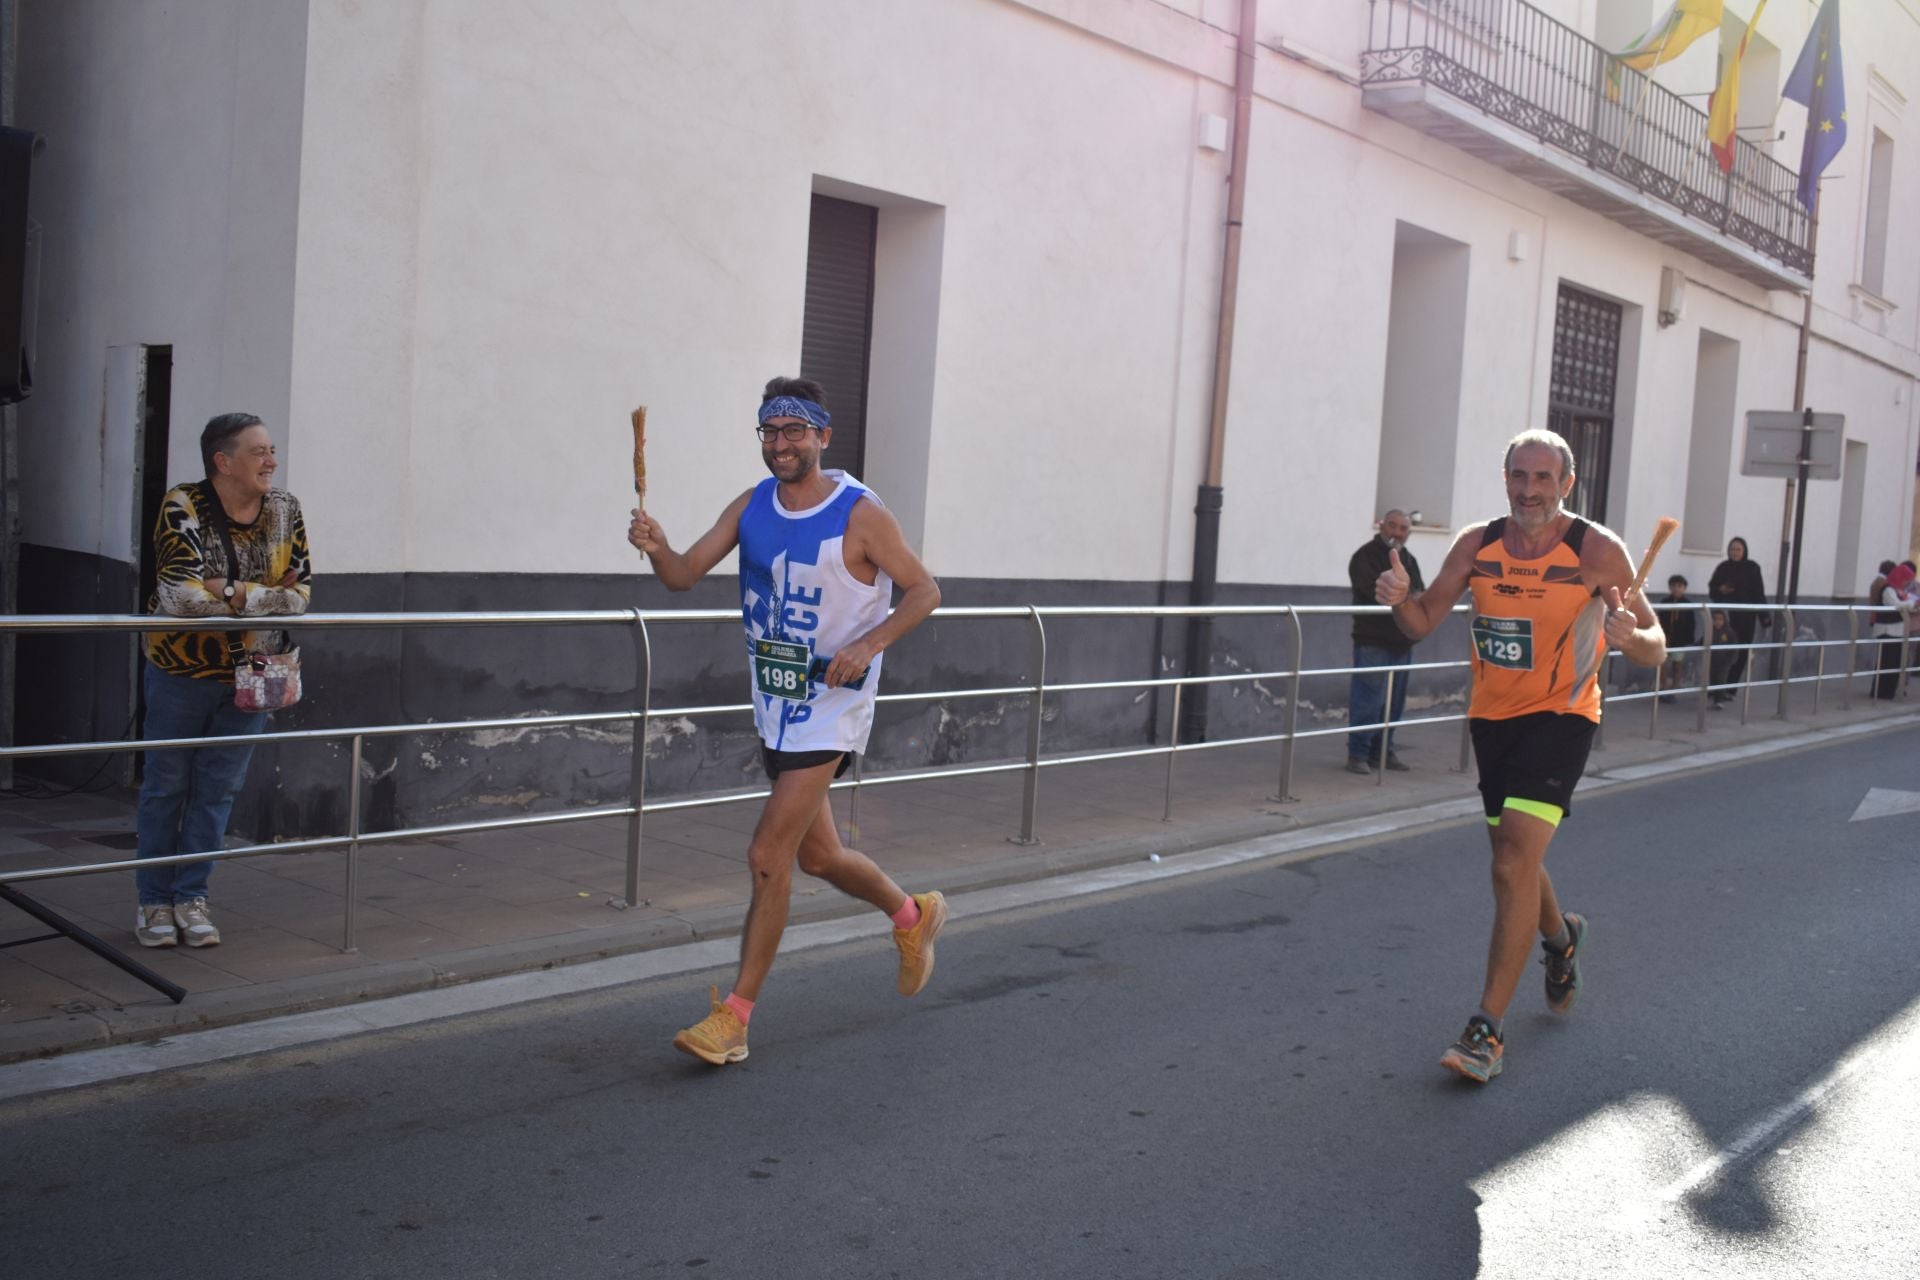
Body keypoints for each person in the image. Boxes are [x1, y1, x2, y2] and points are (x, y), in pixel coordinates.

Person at [627, 376, 946, 1065]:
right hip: (776, 701)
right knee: (818, 855)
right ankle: (912, 916)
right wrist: (656, 544)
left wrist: (867, 645)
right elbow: (683, 576)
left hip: (833, 704)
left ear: (823, 437)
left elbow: (925, 591)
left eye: (795, 431)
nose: (781, 444)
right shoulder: (752, 507)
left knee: (768, 858)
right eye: (770, 432)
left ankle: (733, 1019)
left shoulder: (860, 514)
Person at [1375, 428, 1664, 1083]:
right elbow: (1423, 621)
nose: (1528, 490)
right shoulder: (1477, 544)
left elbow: (1658, 645)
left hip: (1562, 718)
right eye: (1518, 476)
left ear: (1566, 484)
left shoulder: (1595, 548)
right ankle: (1561, 942)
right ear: (1505, 479)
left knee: (1510, 863)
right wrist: (1400, 603)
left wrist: (1632, 635)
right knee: (1517, 858)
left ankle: (1485, 1031)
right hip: (1494, 721)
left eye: (1542, 478)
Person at [136, 413, 311, 948]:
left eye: (272, 450)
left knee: (218, 790)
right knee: (166, 786)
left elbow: (299, 596)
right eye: (259, 452)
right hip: (181, 671)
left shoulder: (284, 510)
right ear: (223, 460)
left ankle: (192, 897)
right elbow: (179, 599)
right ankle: (152, 903)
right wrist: (260, 593)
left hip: (256, 670)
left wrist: (229, 590)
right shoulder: (183, 505)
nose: (271, 461)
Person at [1346, 509, 1424, 774]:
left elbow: (1419, 592)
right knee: (1368, 700)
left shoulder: (1409, 560)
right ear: (1382, 526)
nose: (1397, 533)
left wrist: (1408, 598)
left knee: (1394, 704)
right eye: (1393, 526)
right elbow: (1370, 591)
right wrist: (1401, 595)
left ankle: (1383, 752)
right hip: (1372, 641)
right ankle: (1358, 754)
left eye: (1403, 528)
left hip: (1402, 642)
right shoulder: (1364, 556)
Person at [1707, 536, 1768, 704]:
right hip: (1726, 616)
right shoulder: (1723, 568)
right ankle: (1716, 688)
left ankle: (1730, 688)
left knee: (1740, 652)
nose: (1735, 552)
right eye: (1732, 549)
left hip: (1746, 617)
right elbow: (1712, 590)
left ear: (1744, 551)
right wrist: (1721, 589)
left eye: (1738, 549)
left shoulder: (1752, 568)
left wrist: (1765, 617)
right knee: (1720, 652)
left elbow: (1758, 593)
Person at [1870, 562, 1916, 700]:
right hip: (1887, 630)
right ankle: (1881, 692)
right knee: (1886, 662)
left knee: (1894, 662)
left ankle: (1889, 691)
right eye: (1905, 580)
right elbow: (1896, 605)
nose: (1906, 583)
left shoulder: (1896, 590)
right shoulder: (1887, 589)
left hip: (1897, 631)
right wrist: (1911, 604)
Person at [1653, 574, 1697, 703]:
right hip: (1665, 639)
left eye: (1679, 586)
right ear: (1669, 588)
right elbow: (1658, 620)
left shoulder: (1688, 605)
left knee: (1677, 666)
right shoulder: (1665, 602)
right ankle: (1664, 688)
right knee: (1662, 664)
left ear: (1684, 588)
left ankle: (1673, 690)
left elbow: (1691, 623)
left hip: (1679, 641)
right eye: (1673, 586)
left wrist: (1689, 639)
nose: (1676, 589)